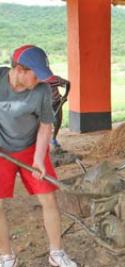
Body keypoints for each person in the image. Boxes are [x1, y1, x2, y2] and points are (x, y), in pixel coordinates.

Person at [0, 45, 77, 267]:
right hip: (1, 149)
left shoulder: (42, 90)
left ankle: (57, 253)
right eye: (37, 74)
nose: (41, 80)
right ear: (20, 70)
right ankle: (6, 256)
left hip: (31, 147)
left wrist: (38, 159)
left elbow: (45, 126)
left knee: (49, 198)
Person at [46, 75, 70, 149]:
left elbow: (67, 83)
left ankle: (53, 139)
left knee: (58, 121)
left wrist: (65, 96)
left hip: (56, 102)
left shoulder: (54, 79)